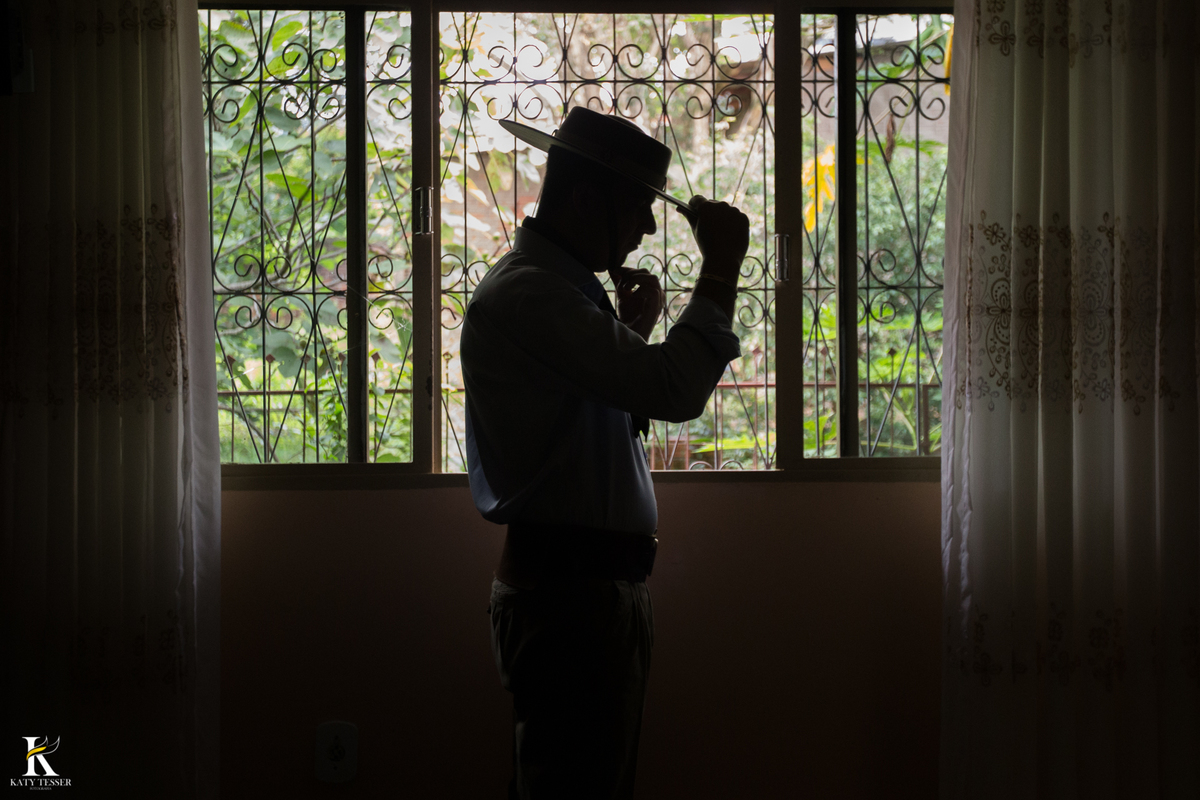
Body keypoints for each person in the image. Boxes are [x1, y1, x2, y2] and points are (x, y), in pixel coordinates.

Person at [461, 106, 749, 800]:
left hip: (581, 598)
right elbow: (674, 388)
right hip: (571, 606)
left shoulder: (558, 296)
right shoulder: (532, 295)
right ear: (588, 200)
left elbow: (574, 428)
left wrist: (628, 337)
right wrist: (720, 269)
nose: (647, 228)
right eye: (640, 208)